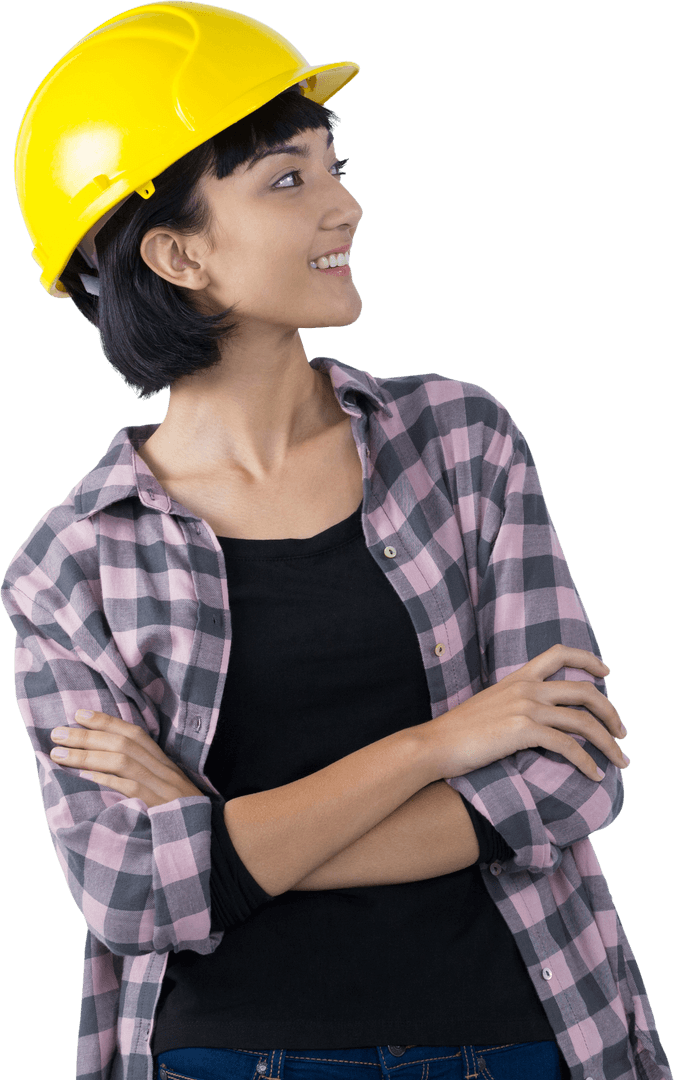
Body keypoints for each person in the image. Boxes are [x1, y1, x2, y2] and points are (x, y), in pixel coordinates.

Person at [3, 5, 671, 1080]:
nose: (345, 205)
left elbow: (568, 778)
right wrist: (434, 747)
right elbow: (127, 892)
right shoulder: (72, 564)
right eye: (287, 180)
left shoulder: (461, 443)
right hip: (226, 1057)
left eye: (332, 167)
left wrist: (215, 838)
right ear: (177, 252)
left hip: (513, 1038)